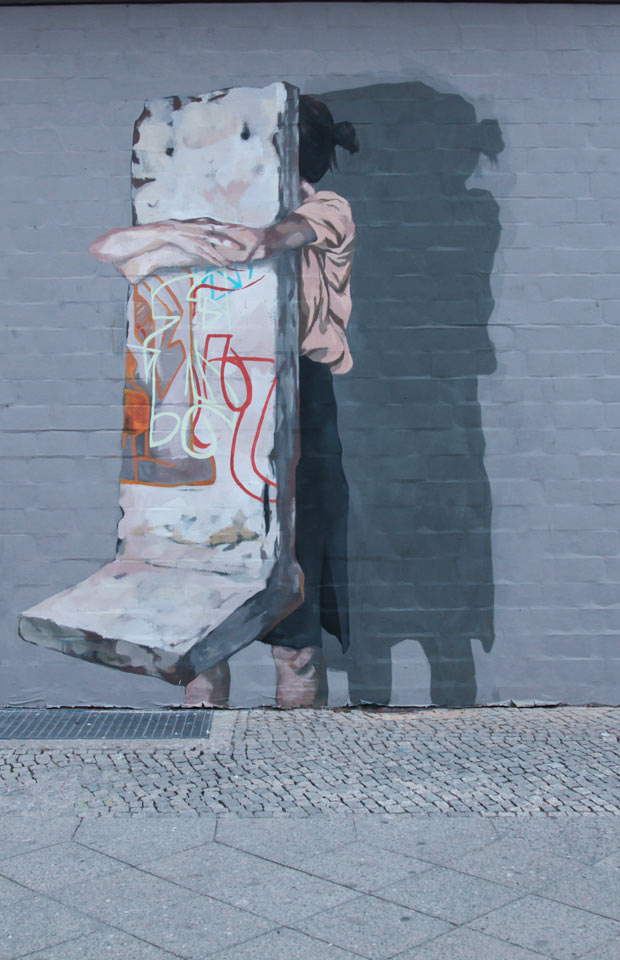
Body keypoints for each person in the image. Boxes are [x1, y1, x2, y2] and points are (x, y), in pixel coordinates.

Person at [91, 95, 359, 707]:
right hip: (211, 390)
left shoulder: (325, 209)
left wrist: (175, 237)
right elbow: (110, 248)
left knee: (294, 603)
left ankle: (300, 748)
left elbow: (259, 242)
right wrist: (175, 231)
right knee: (199, 605)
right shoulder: (213, 220)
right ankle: (206, 742)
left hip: (295, 396)